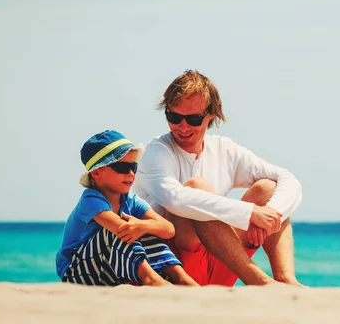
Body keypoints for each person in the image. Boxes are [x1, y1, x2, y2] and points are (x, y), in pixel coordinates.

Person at [133, 70, 303, 286]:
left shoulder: (224, 150)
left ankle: (287, 281)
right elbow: (174, 199)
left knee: (268, 190)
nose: (183, 127)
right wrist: (250, 213)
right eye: (174, 117)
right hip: (177, 269)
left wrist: (271, 215)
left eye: (193, 119)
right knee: (196, 187)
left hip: (222, 262)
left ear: (211, 115)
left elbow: (288, 180)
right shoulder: (156, 152)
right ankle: (260, 282)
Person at [56, 130, 199, 286]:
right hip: (78, 273)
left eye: (133, 167)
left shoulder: (130, 200)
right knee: (124, 230)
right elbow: (120, 228)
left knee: (143, 229)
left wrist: (143, 226)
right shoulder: (90, 200)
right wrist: (139, 226)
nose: (131, 173)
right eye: (122, 168)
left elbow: (169, 229)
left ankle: (181, 279)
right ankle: (151, 279)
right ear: (97, 172)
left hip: (110, 270)